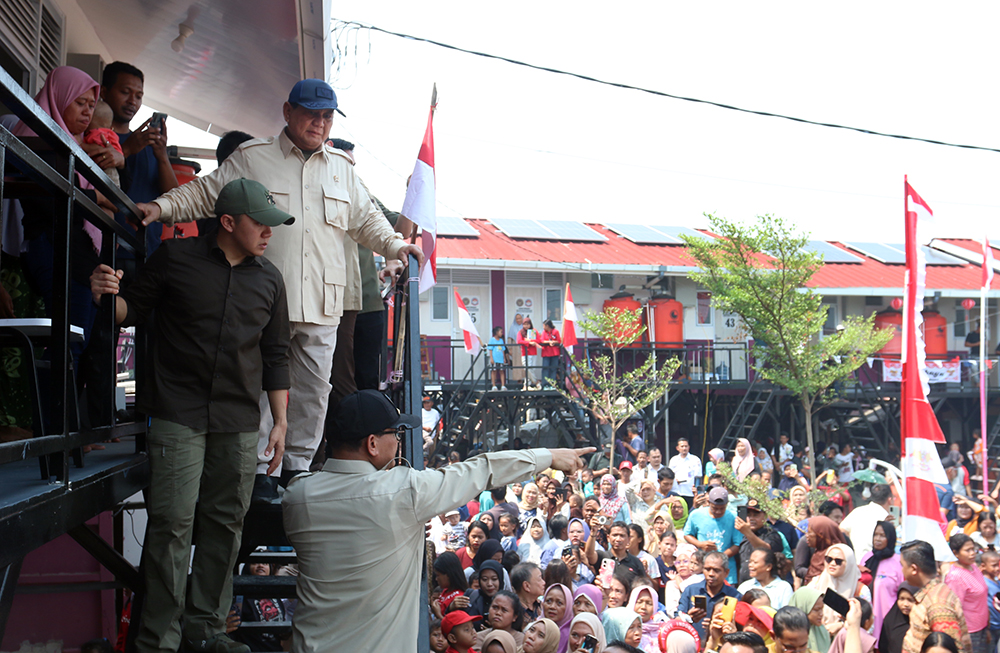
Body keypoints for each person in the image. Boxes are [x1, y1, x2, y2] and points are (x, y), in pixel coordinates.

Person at [136, 79, 424, 491]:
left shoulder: (342, 169)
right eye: (312, 114)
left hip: (322, 305)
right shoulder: (254, 158)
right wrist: (159, 207)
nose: (320, 124)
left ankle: (296, 472)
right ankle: (255, 474)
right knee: (257, 390)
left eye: (327, 117)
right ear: (288, 112)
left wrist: (398, 245)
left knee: (313, 393)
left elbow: (369, 221)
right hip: (262, 301)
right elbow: (206, 193)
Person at [90, 178, 294, 653]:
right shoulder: (175, 258)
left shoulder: (270, 278)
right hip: (177, 412)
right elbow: (130, 310)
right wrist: (105, 294)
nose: (269, 232)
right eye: (259, 222)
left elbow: (276, 353)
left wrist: (280, 421)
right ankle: (157, 641)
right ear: (227, 222)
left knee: (226, 527)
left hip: (240, 420)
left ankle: (206, 631)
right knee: (172, 526)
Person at [281, 388, 591, 651]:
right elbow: (479, 470)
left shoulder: (298, 495)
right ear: (372, 443)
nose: (399, 442)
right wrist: (548, 456)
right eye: (395, 433)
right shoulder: (401, 492)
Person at [15, 66, 121, 367]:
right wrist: (99, 198)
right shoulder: (36, 136)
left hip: (74, 251)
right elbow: (50, 197)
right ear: (59, 96)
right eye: (80, 102)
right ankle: (53, 415)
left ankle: (62, 413)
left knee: (77, 344)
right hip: (54, 246)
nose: (88, 112)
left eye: (92, 104)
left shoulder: (68, 144)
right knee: (67, 346)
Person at [100, 61, 178, 257]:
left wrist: (161, 156)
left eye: (139, 96)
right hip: (106, 250)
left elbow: (174, 197)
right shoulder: (94, 137)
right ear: (104, 92)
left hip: (147, 252)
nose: (132, 101)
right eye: (125, 92)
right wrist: (126, 149)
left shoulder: (149, 145)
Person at [900, 541, 972, 653]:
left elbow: (945, 648)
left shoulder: (937, 605)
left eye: (902, 565)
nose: (902, 570)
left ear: (914, 569)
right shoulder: (933, 593)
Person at [684, 487, 743, 583]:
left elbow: (737, 544)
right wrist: (700, 544)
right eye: (715, 508)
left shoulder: (733, 517)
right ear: (708, 502)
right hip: (702, 570)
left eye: (722, 508)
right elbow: (687, 534)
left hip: (726, 571)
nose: (718, 511)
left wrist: (720, 558)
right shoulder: (696, 515)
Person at [678, 551, 741, 639]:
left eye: (716, 570)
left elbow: (740, 628)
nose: (711, 574)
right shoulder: (691, 590)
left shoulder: (735, 597)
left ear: (726, 573)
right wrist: (689, 618)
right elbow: (676, 619)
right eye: (707, 569)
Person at [943, 534, 988, 653]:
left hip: (982, 627)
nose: (972, 553)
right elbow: (954, 609)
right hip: (969, 632)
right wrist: (962, 635)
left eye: (973, 549)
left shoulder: (973, 567)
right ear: (956, 553)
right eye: (967, 550)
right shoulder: (955, 577)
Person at [858, 521, 901, 641]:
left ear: (890, 538)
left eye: (882, 536)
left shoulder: (898, 562)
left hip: (888, 621)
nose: (877, 539)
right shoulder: (867, 558)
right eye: (875, 535)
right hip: (866, 619)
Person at [736, 499, 784, 584]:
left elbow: (765, 550)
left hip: (767, 585)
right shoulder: (742, 535)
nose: (751, 519)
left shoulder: (772, 534)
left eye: (755, 515)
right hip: (745, 585)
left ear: (765, 517)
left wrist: (748, 532)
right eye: (748, 515)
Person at [838, 485, 893, 561]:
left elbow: (841, 530)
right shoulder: (887, 518)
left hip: (855, 562)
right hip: (875, 564)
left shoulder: (858, 511)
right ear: (890, 500)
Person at [795, 516, 846, 584]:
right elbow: (799, 568)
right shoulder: (817, 553)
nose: (807, 536)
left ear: (820, 535)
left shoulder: (839, 553)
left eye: (810, 533)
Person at [82, 100, 122, 187]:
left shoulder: (96, 133)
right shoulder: (111, 134)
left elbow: (98, 149)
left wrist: (80, 145)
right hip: (114, 174)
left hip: (107, 171)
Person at [787, 588, 829, 653]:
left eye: (822, 609)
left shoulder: (822, 631)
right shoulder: (790, 633)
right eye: (817, 610)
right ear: (803, 607)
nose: (821, 614)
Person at [878, 585, 917, 653]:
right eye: (901, 599)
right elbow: (883, 646)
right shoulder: (890, 621)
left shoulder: (923, 622)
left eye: (910, 600)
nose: (905, 604)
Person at [541, 584, 574, 652]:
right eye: (549, 601)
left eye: (559, 603)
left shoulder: (572, 635)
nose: (552, 606)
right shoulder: (534, 628)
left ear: (568, 606)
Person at [537, 319, 562, 389]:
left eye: (544, 326)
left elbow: (559, 341)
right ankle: (545, 384)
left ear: (547, 326)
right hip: (546, 353)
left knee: (553, 369)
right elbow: (541, 340)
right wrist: (548, 342)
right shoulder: (544, 332)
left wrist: (554, 342)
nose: (543, 327)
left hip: (554, 353)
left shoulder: (555, 331)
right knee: (545, 368)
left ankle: (552, 384)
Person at [518, 318, 540, 389]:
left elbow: (539, 340)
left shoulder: (534, 331)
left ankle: (526, 384)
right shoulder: (521, 332)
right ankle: (536, 381)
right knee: (527, 368)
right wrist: (528, 342)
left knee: (532, 368)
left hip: (533, 352)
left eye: (527, 324)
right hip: (525, 353)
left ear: (530, 324)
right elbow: (519, 341)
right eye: (524, 324)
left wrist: (532, 341)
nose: (526, 326)